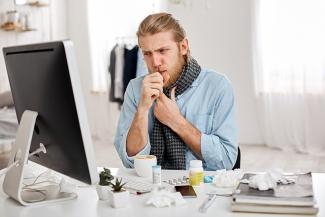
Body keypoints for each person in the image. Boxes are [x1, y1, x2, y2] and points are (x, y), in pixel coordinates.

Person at [114, 12, 238, 170]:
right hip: (151, 188)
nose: (155, 62)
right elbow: (130, 161)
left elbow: (226, 160)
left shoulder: (217, 86)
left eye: (162, 51)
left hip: (201, 187)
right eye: (147, 53)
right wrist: (143, 109)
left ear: (183, 47)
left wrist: (176, 121)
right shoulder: (135, 88)